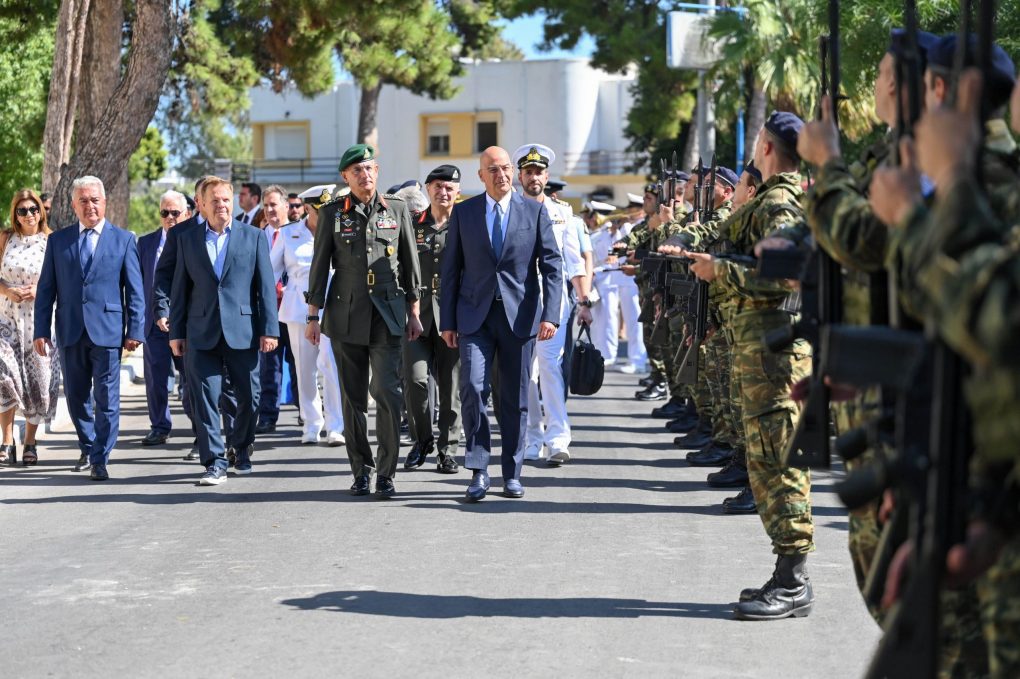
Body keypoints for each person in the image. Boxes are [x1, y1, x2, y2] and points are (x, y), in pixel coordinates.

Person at [684, 113, 814, 620]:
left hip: (777, 358)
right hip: (764, 355)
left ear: (764, 146)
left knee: (780, 463)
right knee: (767, 462)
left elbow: (790, 275)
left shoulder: (780, 201)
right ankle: (786, 574)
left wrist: (722, 270)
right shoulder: (772, 199)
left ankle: (794, 581)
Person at [439, 145, 563, 502]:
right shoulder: (465, 213)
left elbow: (552, 267)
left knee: (514, 398)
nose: (502, 175)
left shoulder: (534, 212)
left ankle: (511, 472)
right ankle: (479, 470)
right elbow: (451, 272)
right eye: (493, 169)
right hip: (474, 317)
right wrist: (448, 320)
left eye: (506, 168)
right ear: (481, 176)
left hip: (519, 317)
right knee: (473, 389)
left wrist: (550, 315)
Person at [305, 144, 423, 498]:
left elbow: (410, 262)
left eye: (369, 168)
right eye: (356, 170)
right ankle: (361, 470)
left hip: (387, 314)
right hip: (345, 316)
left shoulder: (397, 209)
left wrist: (414, 311)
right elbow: (319, 266)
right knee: (351, 398)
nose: (364, 175)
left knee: (388, 392)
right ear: (345, 177)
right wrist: (313, 314)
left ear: (377, 170)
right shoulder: (331, 214)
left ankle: (386, 473)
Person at [169, 177, 279, 486]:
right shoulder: (187, 239)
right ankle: (214, 463)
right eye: (214, 200)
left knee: (250, 396)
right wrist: (176, 333)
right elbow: (180, 288)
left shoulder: (253, 236)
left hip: (243, 331)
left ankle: (240, 448)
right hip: (200, 332)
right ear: (201, 204)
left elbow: (265, 287)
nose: (222, 205)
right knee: (205, 399)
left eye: (226, 200)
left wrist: (269, 329)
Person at [33, 176, 145, 481]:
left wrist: (135, 329)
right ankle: (88, 444)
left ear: (104, 202)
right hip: (70, 329)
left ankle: (99, 458)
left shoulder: (123, 240)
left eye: (95, 199)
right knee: (76, 395)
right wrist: (40, 329)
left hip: (108, 331)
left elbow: (135, 290)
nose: (90, 205)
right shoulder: (58, 241)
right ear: (73, 206)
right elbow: (46, 289)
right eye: (83, 200)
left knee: (107, 398)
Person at [512, 143, 591, 466]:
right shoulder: (511, 209)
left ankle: (558, 436)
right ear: (520, 176)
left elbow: (574, 262)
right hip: (518, 300)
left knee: (550, 368)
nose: (534, 177)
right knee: (524, 374)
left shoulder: (563, 215)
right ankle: (532, 436)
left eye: (539, 172)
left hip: (552, 299)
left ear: (547, 176)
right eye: (528, 172)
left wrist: (584, 300)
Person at [153, 177, 239, 463]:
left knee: (230, 389)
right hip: (193, 326)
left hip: (230, 326)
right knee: (195, 388)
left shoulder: (235, 231)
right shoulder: (182, 235)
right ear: (199, 202)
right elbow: (164, 276)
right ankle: (204, 439)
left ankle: (235, 441)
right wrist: (164, 311)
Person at [270, 184, 344, 446]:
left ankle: (335, 425)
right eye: (320, 210)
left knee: (331, 365)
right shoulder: (288, 233)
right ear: (309, 210)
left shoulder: (338, 231)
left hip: (332, 307)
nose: (325, 214)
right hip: (298, 309)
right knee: (305, 368)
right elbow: (271, 272)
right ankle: (311, 423)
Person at [401, 164, 463, 475]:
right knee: (415, 381)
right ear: (428, 190)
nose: (443, 191)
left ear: (458, 192)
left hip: (453, 319)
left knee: (451, 388)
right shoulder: (412, 226)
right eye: (437, 186)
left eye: (449, 187)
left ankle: (448, 450)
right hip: (417, 317)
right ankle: (421, 440)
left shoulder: (466, 226)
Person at [0, 190, 58, 466]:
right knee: (3, 376)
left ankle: (30, 442)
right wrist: (7, 291)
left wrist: (40, 289)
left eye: (33, 209)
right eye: (22, 210)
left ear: (41, 211)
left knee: (39, 384)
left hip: (39, 322)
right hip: (7, 320)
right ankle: (7, 441)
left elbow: (63, 281)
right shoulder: (5, 239)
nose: (29, 215)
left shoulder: (51, 241)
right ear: (15, 214)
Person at [138, 190, 196, 448]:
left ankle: (200, 429)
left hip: (186, 325)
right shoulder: (146, 243)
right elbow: (138, 283)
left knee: (191, 381)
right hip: (153, 324)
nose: (170, 217)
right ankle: (160, 426)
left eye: (175, 213)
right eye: (165, 213)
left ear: (186, 213)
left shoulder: (195, 240)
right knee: (156, 380)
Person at [255, 184, 296, 434]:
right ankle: (268, 416)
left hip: (293, 309)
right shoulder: (256, 236)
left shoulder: (298, 233)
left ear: (286, 207)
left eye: (274, 204)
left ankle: (307, 413)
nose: (270, 210)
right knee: (268, 367)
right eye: (266, 205)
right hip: (267, 312)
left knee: (300, 364)